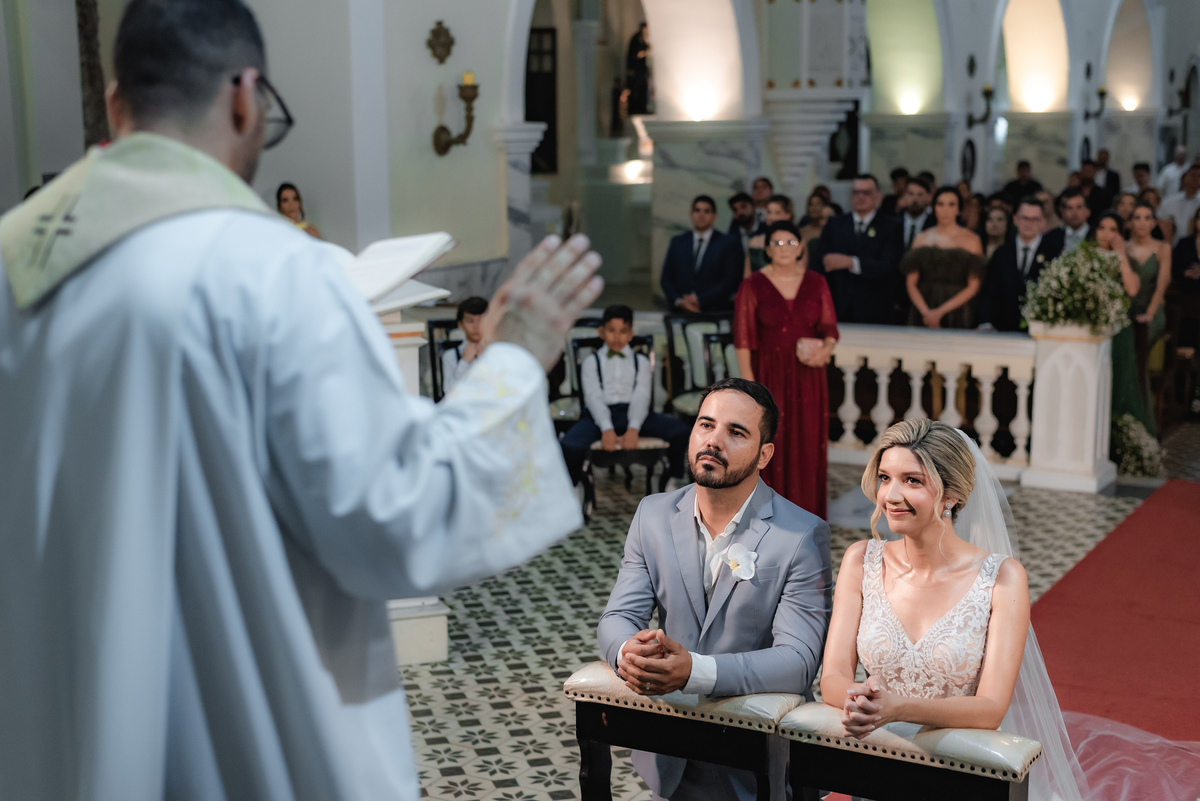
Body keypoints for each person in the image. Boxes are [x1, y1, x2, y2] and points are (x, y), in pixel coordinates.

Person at [0, 1, 606, 798]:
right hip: (235, 754)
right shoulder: (275, 273)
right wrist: (516, 358)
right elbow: (399, 516)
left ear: (117, 104)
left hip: (58, 744)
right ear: (246, 97)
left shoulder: (14, 270)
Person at [821, 419, 1089, 801]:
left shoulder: (1002, 579)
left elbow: (991, 709)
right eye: (885, 478)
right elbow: (832, 676)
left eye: (912, 481)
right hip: (875, 760)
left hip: (957, 768)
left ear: (952, 496)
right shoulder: (860, 560)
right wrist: (862, 701)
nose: (891, 495)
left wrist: (898, 709)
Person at [598, 378, 833, 801]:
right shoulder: (652, 514)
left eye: (736, 432)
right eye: (706, 425)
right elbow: (618, 616)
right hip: (672, 755)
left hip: (761, 763)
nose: (714, 441)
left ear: (765, 454)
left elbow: (799, 661)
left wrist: (695, 672)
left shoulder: (801, 535)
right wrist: (626, 652)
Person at [734, 220, 838, 518]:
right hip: (768, 376)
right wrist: (750, 391)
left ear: (801, 247)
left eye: (790, 242)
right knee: (771, 443)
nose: (784, 249)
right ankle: (767, 516)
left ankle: (807, 517)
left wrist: (825, 351)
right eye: (777, 243)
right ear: (767, 249)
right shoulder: (752, 284)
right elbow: (743, 341)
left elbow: (830, 329)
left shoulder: (816, 282)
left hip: (808, 377)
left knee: (807, 443)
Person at [560, 304, 689, 489]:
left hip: (635, 412)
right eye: (612, 331)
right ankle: (573, 487)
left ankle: (671, 479)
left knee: (679, 431)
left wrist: (634, 428)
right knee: (570, 444)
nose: (617, 337)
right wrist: (606, 428)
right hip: (599, 415)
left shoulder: (641, 362)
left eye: (623, 331)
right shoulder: (591, 362)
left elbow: (642, 395)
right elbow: (593, 397)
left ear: (630, 334)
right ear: (602, 332)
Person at [1096, 211, 1156, 435]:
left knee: (1120, 382)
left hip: (1118, 330)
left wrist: (1120, 254)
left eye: (1113, 229)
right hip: (1093, 328)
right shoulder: (1085, 257)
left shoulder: (1124, 259)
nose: (1107, 234)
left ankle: (1121, 437)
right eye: (1102, 228)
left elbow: (1132, 289)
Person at [816, 174, 904, 324]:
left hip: (875, 308)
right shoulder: (835, 224)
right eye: (856, 192)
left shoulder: (891, 226)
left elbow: (888, 266)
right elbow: (819, 263)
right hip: (838, 306)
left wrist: (852, 262)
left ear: (878, 197)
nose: (860, 197)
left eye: (866, 193)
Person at [900, 187, 985, 330]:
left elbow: (974, 285)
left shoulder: (972, 240)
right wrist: (926, 312)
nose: (945, 209)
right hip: (924, 307)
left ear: (959, 209)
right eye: (940, 204)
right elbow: (911, 283)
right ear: (934, 207)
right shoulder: (921, 239)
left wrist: (940, 312)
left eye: (951, 204)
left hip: (958, 308)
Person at [977, 197, 1063, 332]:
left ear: (1043, 222)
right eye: (1025, 218)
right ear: (1015, 219)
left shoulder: (1055, 253)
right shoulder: (1002, 253)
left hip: (1040, 329)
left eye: (1034, 219)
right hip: (1003, 330)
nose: (1029, 224)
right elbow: (989, 291)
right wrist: (986, 322)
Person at [661, 195, 744, 314]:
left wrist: (700, 299)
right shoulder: (678, 242)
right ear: (691, 214)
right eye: (697, 210)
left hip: (715, 311)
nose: (701, 215)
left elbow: (729, 281)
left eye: (706, 211)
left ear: (714, 216)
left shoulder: (728, 243)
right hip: (680, 310)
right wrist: (679, 301)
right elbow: (666, 279)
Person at [440, 295, 488, 395]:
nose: (476, 326)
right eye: (470, 321)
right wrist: (464, 362)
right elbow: (449, 393)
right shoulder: (450, 356)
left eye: (481, 320)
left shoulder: (495, 352)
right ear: (460, 325)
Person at [744, 194, 794, 276]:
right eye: (769, 212)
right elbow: (747, 274)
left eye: (777, 213)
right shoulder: (754, 240)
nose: (772, 217)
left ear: (788, 215)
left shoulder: (795, 241)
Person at [1158, 164, 1200, 245]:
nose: (1195, 179)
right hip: (1172, 247)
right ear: (1184, 178)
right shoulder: (1168, 202)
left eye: (1199, 176)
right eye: (1192, 175)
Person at [898, 176, 934, 252]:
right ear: (904, 195)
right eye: (910, 194)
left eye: (920, 194)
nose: (915, 199)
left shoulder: (934, 224)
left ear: (928, 197)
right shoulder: (892, 223)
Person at [1053, 187, 1094, 253]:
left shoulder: (1096, 236)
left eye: (1079, 207)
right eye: (1069, 208)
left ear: (1088, 211)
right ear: (1063, 212)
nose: (1074, 212)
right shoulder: (1052, 237)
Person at [626, 22, 651, 115]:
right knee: (635, 89)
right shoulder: (636, 40)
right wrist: (641, 54)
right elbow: (633, 55)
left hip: (642, 70)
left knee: (643, 89)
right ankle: (635, 109)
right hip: (636, 70)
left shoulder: (643, 40)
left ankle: (642, 108)